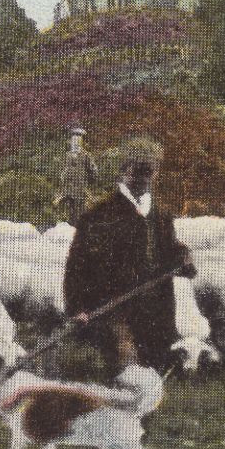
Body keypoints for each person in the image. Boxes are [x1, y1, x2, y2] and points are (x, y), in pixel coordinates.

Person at [62, 136, 195, 374]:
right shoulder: (99, 216)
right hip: (115, 310)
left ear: (155, 173)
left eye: (149, 171)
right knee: (127, 371)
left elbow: (169, 249)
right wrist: (77, 308)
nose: (144, 177)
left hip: (157, 311)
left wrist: (183, 256)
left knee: (156, 371)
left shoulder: (161, 216)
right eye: (138, 170)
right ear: (124, 170)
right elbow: (77, 265)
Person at [54, 127, 99, 226]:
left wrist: (88, 183)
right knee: (69, 212)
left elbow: (93, 171)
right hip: (67, 190)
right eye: (74, 140)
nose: (76, 142)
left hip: (80, 190)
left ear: (82, 142)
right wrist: (62, 184)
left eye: (78, 140)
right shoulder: (67, 155)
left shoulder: (86, 156)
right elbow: (62, 171)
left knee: (79, 212)